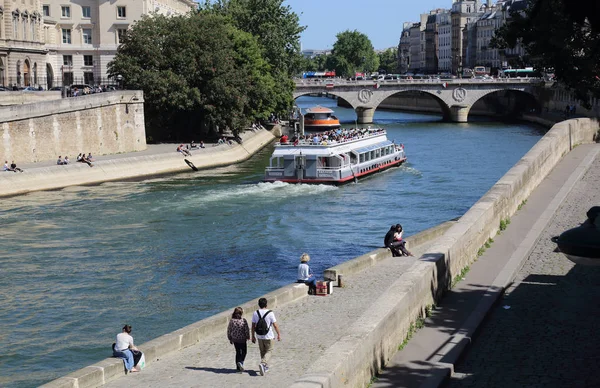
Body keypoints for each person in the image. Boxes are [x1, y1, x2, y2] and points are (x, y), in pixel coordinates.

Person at [251, 298, 281, 376]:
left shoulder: (255, 313)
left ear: (259, 305)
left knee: (262, 351)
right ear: (266, 304)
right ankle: (263, 363)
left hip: (259, 335)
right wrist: (278, 334)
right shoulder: (270, 313)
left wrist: (253, 336)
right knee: (269, 350)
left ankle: (265, 367)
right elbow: (275, 325)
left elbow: (253, 326)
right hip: (268, 335)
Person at [227, 307, 250, 373]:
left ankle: (238, 367)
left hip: (235, 339)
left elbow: (229, 330)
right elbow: (246, 329)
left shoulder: (232, 321)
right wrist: (248, 336)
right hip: (242, 339)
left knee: (238, 352)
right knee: (244, 352)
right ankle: (241, 363)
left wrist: (230, 338)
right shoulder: (243, 320)